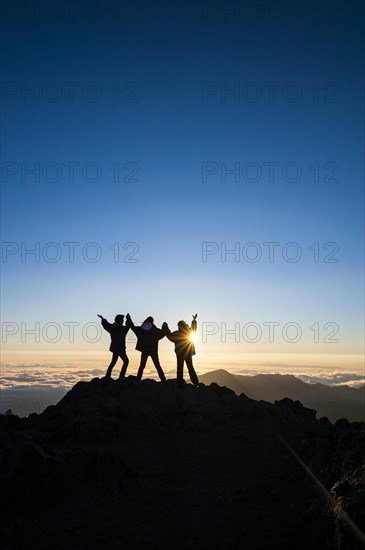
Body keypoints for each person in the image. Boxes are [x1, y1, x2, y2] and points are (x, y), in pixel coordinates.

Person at [126, 313, 168, 383]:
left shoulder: (141, 330)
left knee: (142, 366)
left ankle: (137, 380)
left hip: (144, 350)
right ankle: (163, 380)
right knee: (157, 365)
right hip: (153, 350)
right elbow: (163, 333)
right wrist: (164, 326)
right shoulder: (155, 330)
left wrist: (129, 319)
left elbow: (133, 327)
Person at [165, 314, 199, 387]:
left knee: (180, 368)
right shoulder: (188, 331)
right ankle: (195, 383)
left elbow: (170, 336)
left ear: (179, 326)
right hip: (188, 352)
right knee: (190, 367)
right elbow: (194, 328)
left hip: (180, 353)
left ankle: (180, 384)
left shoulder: (177, 333)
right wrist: (194, 320)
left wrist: (166, 328)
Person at [97, 314, 129, 379]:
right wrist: (128, 319)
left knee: (113, 362)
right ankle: (121, 376)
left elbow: (106, 325)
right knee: (126, 361)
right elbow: (128, 326)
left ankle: (108, 376)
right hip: (121, 349)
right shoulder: (123, 329)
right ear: (121, 321)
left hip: (115, 348)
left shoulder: (112, 328)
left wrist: (103, 319)